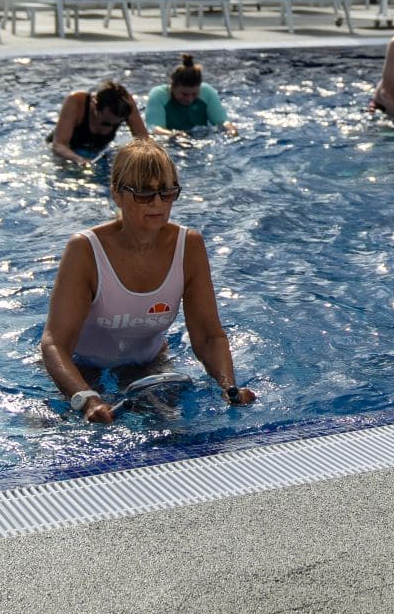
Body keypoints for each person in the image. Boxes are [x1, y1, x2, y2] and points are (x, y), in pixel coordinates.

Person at [40, 139, 257, 423]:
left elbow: (208, 336)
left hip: (148, 365)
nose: (157, 202)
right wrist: (85, 398)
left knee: (171, 430)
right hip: (81, 370)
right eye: (143, 193)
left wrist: (229, 387)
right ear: (117, 194)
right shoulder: (85, 250)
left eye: (167, 192)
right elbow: (55, 343)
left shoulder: (188, 245)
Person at [49, 81, 147, 166]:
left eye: (116, 123)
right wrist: (79, 160)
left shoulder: (125, 104)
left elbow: (144, 140)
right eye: (106, 123)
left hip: (97, 151)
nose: (109, 127)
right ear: (94, 106)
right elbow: (58, 145)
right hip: (67, 150)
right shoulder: (76, 101)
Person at [145, 55, 236, 135]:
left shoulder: (207, 92)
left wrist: (231, 129)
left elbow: (222, 121)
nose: (189, 99)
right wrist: (174, 135)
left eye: (194, 94)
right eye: (184, 94)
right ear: (172, 87)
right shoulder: (158, 95)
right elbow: (154, 128)